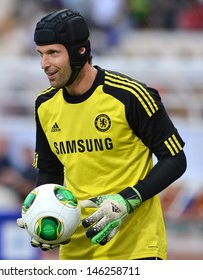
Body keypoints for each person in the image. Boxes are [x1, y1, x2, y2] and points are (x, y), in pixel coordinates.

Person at [17, 9, 187, 260]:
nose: (45, 64)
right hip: (75, 250)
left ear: (80, 51)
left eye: (53, 53)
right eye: (40, 54)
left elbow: (175, 159)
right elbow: (50, 171)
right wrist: (42, 215)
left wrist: (127, 200)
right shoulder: (44, 105)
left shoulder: (130, 95)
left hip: (135, 248)